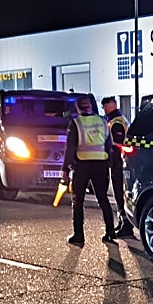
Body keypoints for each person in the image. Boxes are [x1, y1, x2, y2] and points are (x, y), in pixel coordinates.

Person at [62, 93, 117, 246]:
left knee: (78, 201)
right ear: (91, 106)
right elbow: (109, 145)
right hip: (101, 164)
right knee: (103, 199)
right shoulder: (103, 121)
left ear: (78, 108)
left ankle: (79, 235)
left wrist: (65, 169)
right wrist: (109, 163)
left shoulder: (76, 123)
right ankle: (110, 232)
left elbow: (70, 148)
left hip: (82, 165)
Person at [100, 96, 132, 234]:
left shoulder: (116, 121)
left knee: (120, 193)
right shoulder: (118, 119)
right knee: (119, 193)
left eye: (104, 106)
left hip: (118, 162)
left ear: (110, 105)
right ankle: (122, 222)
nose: (104, 109)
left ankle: (126, 224)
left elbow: (118, 144)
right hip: (119, 161)